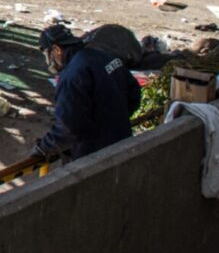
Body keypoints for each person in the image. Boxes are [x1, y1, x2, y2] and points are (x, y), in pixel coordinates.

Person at [30, 24, 140, 161]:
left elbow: (68, 127)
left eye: (47, 54)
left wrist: (43, 147)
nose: (48, 62)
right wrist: (115, 121)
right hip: (123, 143)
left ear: (57, 50)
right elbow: (134, 94)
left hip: (94, 156)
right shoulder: (103, 56)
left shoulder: (71, 76)